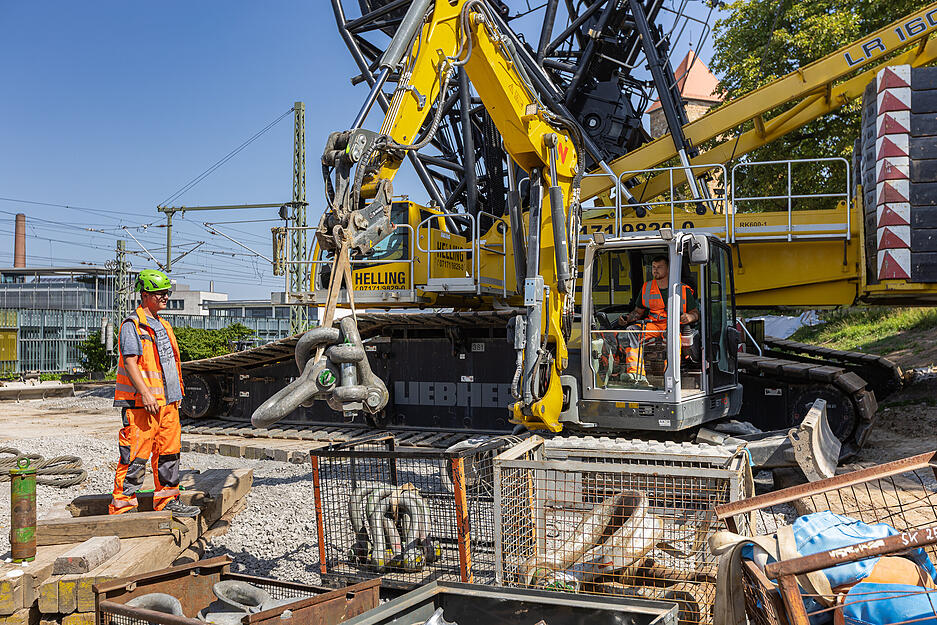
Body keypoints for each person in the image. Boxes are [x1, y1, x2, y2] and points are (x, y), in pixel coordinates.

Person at [109, 269, 200, 517]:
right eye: (160, 293)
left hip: (168, 405)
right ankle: (124, 505)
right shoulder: (133, 325)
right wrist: (147, 394)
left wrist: (175, 394)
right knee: (135, 456)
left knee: (168, 455)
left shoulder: (163, 325)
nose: (165, 297)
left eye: (166, 293)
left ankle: (168, 500)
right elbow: (130, 363)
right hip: (143, 405)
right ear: (145, 294)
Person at [607, 255, 699, 385]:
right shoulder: (647, 287)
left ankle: (671, 376)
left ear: (668, 269)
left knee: (673, 337)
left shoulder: (683, 290)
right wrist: (627, 319)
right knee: (631, 331)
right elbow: (638, 312)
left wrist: (690, 317)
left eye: (659, 267)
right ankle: (635, 374)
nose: (655, 270)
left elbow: (695, 313)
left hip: (672, 326)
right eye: (654, 267)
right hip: (653, 326)